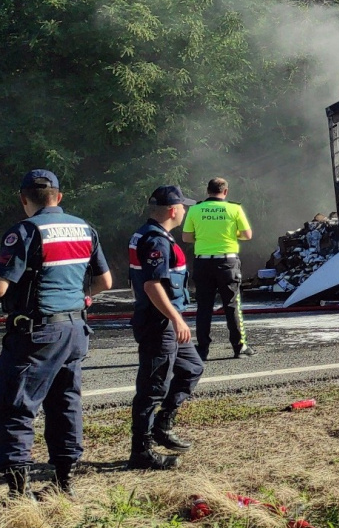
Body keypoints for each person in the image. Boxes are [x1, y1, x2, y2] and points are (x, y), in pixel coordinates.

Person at [0, 170, 112, 498]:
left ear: (24, 199)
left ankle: (19, 496)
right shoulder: (84, 228)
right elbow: (105, 281)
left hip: (36, 333)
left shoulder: (24, 232)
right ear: (59, 197)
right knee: (65, 403)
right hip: (75, 329)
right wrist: (81, 298)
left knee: (16, 406)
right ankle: (64, 484)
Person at [129, 186, 204, 470]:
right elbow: (151, 285)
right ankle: (141, 452)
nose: (185, 210)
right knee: (152, 387)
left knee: (192, 368)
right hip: (158, 323)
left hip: (166, 323)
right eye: (183, 206)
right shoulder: (155, 241)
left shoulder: (153, 235)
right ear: (173, 210)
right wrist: (176, 318)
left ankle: (163, 423)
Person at [182, 178, 255, 360]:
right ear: (226, 192)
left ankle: (203, 349)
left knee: (204, 307)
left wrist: (204, 236)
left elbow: (186, 238)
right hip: (227, 263)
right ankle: (239, 347)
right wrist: (230, 233)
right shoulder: (234, 208)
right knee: (232, 305)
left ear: (207, 191)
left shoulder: (195, 209)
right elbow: (247, 235)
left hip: (203, 263)